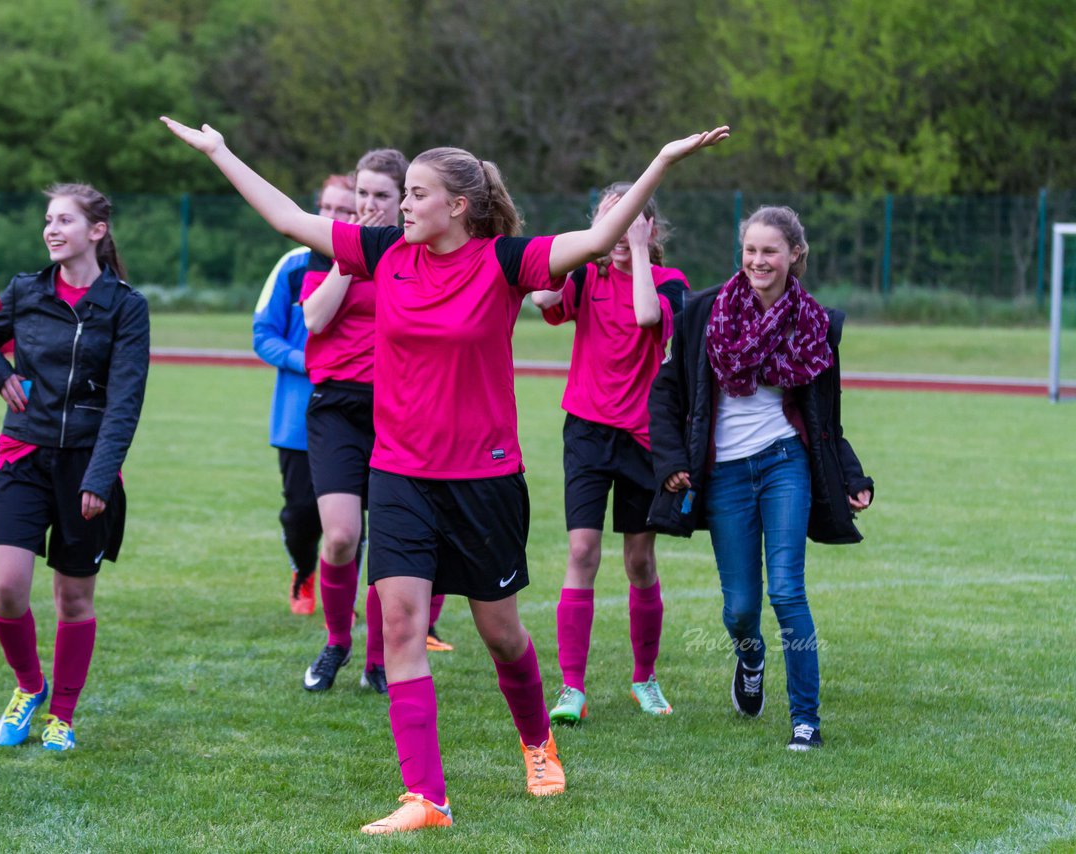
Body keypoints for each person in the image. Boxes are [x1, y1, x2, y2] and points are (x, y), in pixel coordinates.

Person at [162, 113, 727, 833]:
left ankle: (536, 742)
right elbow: (287, 218)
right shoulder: (383, 253)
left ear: (457, 205)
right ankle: (426, 797)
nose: (401, 205)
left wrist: (663, 158)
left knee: (501, 636)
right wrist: (220, 152)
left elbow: (598, 239)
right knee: (399, 625)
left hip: (483, 480)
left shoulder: (505, 262)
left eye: (417, 194)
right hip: (397, 472)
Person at [647, 205, 874, 751]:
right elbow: (667, 392)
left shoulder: (817, 325)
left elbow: (826, 417)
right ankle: (750, 659)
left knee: (788, 592)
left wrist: (850, 474)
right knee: (740, 608)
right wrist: (673, 461)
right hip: (723, 473)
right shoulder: (704, 312)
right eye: (750, 250)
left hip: (784, 464)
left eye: (769, 250)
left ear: (795, 254)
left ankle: (805, 721)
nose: (758, 260)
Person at [0, 183, 150, 752]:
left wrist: (100, 477)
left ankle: (63, 714)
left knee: (73, 599)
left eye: (65, 221)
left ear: (96, 231)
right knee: (7, 589)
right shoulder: (26, 291)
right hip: (23, 453)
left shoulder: (126, 306)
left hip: (87, 465)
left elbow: (126, 400)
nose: (52, 230)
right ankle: (29, 686)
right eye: (48, 221)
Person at [531, 185, 686, 724]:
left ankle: (644, 677)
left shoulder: (669, 282)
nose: (618, 230)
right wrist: (581, 252)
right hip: (588, 433)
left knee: (639, 561)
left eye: (630, 221)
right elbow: (541, 300)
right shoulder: (586, 275)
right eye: (608, 220)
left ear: (649, 228)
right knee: (582, 553)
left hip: (644, 439)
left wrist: (637, 252)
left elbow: (648, 318)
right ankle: (572, 688)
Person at [298, 149, 406, 695]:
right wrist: (349, 255)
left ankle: (379, 660)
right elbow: (314, 319)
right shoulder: (330, 250)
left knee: (389, 544)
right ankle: (338, 641)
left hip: (400, 409)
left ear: (404, 200)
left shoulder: (416, 253)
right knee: (342, 536)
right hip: (337, 406)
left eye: (381, 196)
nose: (367, 205)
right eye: (362, 194)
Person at [253, 174, 355, 616]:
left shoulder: (374, 261)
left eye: (346, 210)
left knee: (355, 520)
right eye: (329, 208)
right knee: (300, 513)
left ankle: (344, 596)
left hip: (357, 413)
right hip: (298, 419)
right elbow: (263, 335)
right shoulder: (294, 264)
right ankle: (303, 572)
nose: (336, 217)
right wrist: (308, 363)